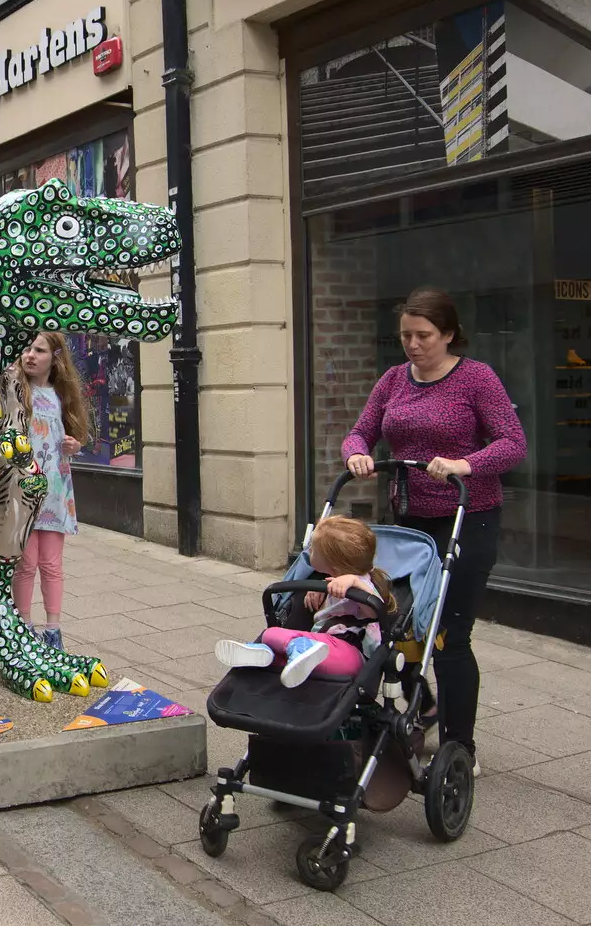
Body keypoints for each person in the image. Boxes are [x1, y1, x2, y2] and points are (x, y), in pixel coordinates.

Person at [342, 287, 525, 773]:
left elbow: (512, 444)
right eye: (406, 335)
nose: (413, 344)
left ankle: (459, 746)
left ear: (448, 334)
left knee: (449, 635)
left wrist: (465, 463)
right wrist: (357, 453)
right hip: (410, 523)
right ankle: (421, 707)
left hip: (468, 517)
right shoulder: (393, 380)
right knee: (399, 625)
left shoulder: (476, 379)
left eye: (424, 335)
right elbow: (361, 430)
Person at [214, 515, 396, 687]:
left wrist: (355, 581)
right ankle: (264, 654)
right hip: (322, 647)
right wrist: (320, 590)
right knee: (270, 634)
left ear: (334, 564)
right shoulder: (332, 581)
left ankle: (288, 651)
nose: (309, 552)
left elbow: (375, 610)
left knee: (303, 647)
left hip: (350, 654)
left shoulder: (362, 583)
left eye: (314, 549)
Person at [14, 331, 90, 650]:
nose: (30, 354)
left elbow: (75, 436)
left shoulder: (62, 395)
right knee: (25, 563)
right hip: (22, 491)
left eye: (39, 350)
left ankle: (53, 630)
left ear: (55, 358)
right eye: (27, 348)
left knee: (51, 564)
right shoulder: (17, 393)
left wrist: (75, 445)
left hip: (55, 493)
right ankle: (23, 626)